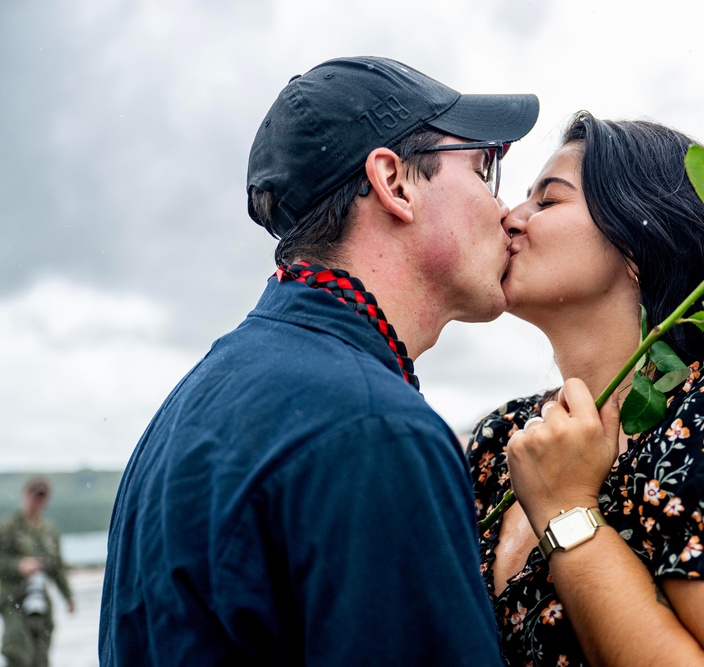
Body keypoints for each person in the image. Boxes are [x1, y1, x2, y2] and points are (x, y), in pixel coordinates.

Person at [99, 56, 539, 666]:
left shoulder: (199, 397)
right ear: (395, 183)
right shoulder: (374, 432)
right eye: (485, 166)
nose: (507, 211)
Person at [467, 112, 704, 667]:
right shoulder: (501, 440)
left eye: (548, 201)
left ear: (636, 243)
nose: (510, 217)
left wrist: (566, 512)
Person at [0, 478, 75, 667]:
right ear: (25, 495)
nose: (37, 501)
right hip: (13, 596)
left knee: (41, 649)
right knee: (17, 648)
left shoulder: (49, 531)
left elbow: (57, 567)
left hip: (39, 597)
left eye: (42, 496)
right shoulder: (9, 528)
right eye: (34, 495)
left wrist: (68, 597)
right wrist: (18, 565)